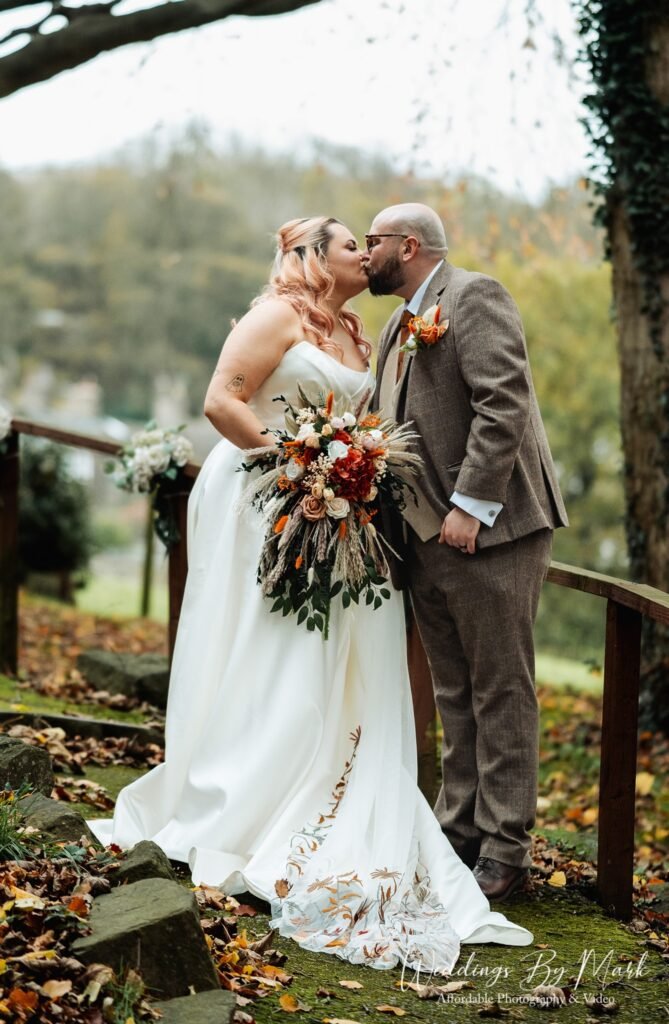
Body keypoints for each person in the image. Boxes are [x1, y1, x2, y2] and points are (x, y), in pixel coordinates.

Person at [90, 216, 534, 974]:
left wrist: (343, 477)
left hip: (343, 513)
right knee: (275, 649)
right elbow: (222, 400)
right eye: (348, 244)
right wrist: (295, 467)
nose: (363, 254)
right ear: (311, 258)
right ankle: (252, 795)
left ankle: (347, 781)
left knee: (346, 653)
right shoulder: (275, 315)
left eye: (370, 243)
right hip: (267, 501)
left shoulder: (370, 336)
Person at [363, 203, 568, 902]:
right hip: (422, 535)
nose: (364, 255)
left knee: (500, 687)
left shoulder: (473, 296)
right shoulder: (394, 322)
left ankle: (506, 848)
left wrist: (468, 506)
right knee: (453, 690)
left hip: (491, 529)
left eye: (373, 242)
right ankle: (459, 830)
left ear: (408, 245)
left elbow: (502, 403)